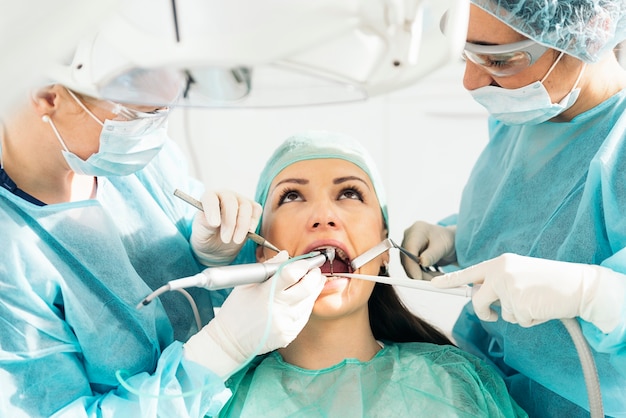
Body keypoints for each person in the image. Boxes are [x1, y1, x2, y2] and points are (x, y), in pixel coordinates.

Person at [0, 44, 325, 417]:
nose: (152, 132)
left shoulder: (134, 162)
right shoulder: (10, 257)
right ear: (48, 97)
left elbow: (264, 277)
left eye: (162, 111)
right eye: (137, 115)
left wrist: (209, 254)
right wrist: (221, 350)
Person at [401, 1, 626, 416]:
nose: (471, 81)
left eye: (499, 60)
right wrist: (456, 240)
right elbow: (527, 220)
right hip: (488, 393)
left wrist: (593, 294)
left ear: (588, 30)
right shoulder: (521, 118)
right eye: (466, 53)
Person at [217, 131, 527, 417]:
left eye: (350, 193)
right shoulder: (218, 398)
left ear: (383, 247)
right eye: (292, 196)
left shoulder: (453, 386)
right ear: (261, 250)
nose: (323, 216)